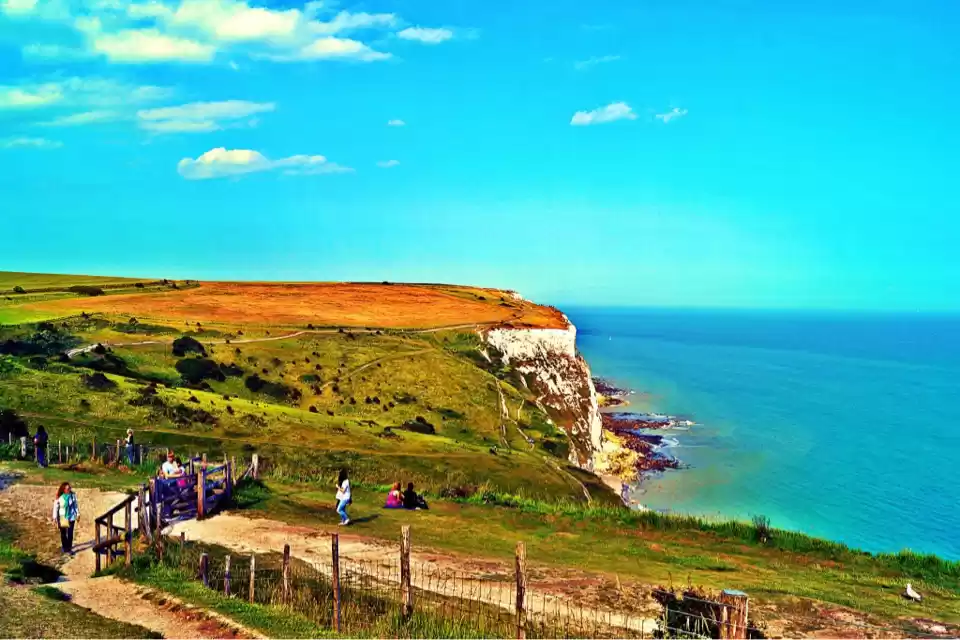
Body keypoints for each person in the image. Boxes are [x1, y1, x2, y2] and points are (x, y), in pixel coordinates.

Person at [52, 482, 80, 554]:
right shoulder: (59, 497)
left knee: (70, 534)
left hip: (71, 516)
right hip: (62, 517)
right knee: (63, 534)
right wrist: (54, 518)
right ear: (63, 489)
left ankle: (69, 548)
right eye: (67, 488)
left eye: (69, 488)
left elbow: (75, 506)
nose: (69, 490)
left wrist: (78, 514)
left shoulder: (72, 496)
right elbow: (55, 507)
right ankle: (65, 547)